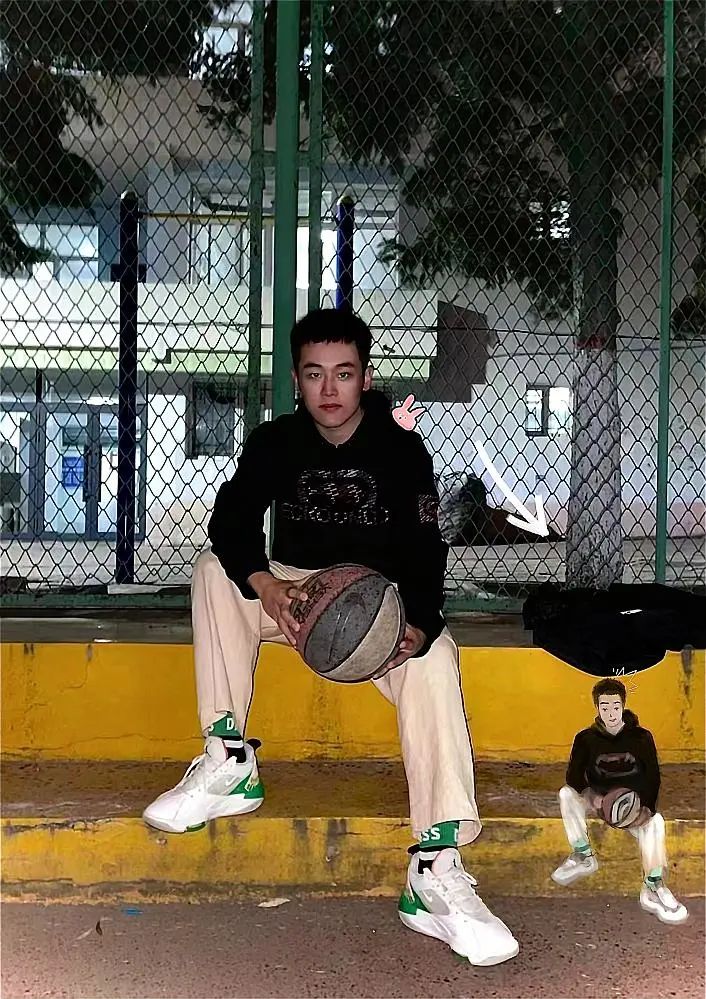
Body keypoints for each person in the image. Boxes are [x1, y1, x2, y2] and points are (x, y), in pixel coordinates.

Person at [143, 308, 519, 966]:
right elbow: (231, 521)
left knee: (436, 657)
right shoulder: (275, 442)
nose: (329, 388)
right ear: (296, 380)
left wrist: (417, 623)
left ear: (365, 378)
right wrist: (265, 584)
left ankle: (433, 869)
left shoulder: (401, 450)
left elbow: (426, 547)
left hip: (374, 608)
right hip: (295, 596)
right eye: (314, 374)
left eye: (343, 374)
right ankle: (228, 759)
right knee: (212, 572)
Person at [551, 677, 688, 924]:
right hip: (600, 802)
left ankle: (653, 886)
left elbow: (653, 778)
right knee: (566, 794)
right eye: (605, 707)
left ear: (623, 706)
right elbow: (573, 777)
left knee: (656, 823)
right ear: (597, 708)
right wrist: (592, 796)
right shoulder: (585, 739)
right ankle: (583, 855)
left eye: (615, 706)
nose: (611, 713)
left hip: (631, 807)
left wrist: (645, 808)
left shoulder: (641, 738)